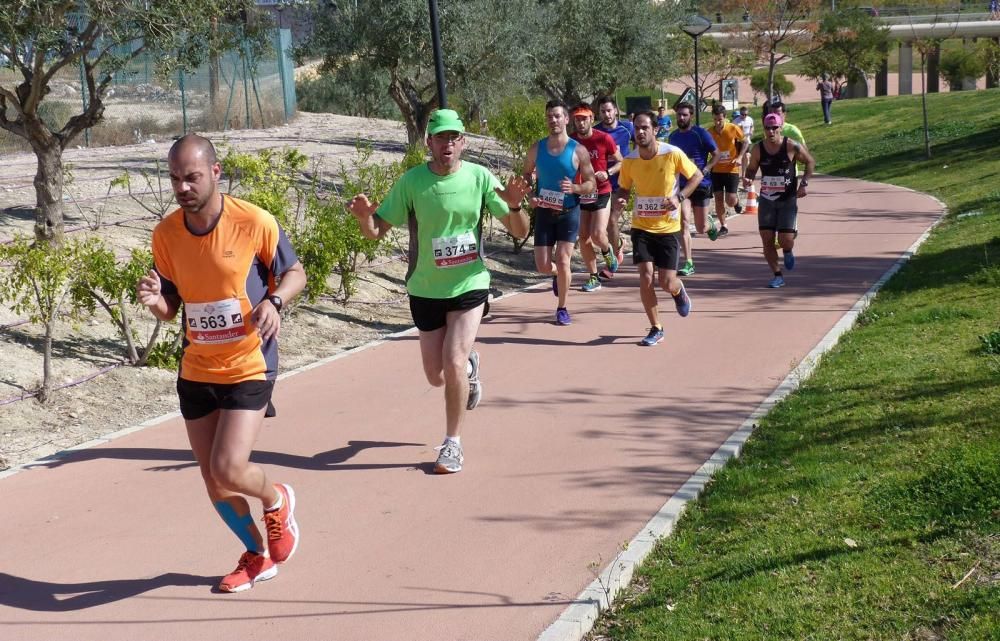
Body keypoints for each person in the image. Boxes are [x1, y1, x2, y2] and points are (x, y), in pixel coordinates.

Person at [136, 134, 307, 593]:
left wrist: (274, 300)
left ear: (215, 172)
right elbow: (172, 307)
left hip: (249, 362)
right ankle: (257, 555)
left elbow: (295, 272)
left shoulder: (253, 221)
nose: (183, 187)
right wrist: (156, 302)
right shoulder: (166, 235)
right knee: (212, 480)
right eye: (174, 179)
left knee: (229, 467)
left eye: (191, 176)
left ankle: (277, 500)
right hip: (197, 368)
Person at [349, 109, 530, 474]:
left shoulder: (480, 177)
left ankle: (452, 444)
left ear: (463, 141)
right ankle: (471, 367)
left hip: (470, 283)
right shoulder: (412, 182)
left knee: (452, 360)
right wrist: (364, 217)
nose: (447, 144)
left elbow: (519, 230)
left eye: (454, 137)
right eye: (440, 137)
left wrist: (513, 204)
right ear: (428, 142)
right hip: (425, 287)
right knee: (435, 376)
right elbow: (376, 231)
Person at [611, 110, 701, 346]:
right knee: (645, 276)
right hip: (641, 226)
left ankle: (678, 291)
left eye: (645, 128)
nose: (640, 132)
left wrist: (679, 197)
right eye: (637, 128)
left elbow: (697, 176)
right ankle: (656, 327)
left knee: (666, 282)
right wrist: (620, 199)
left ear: (655, 130)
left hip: (668, 228)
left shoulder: (672, 154)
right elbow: (623, 188)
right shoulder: (630, 160)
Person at [522, 99, 597, 326]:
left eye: (557, 116)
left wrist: (575, 188)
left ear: (566, 119)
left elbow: (591, 183)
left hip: (569, 211)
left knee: (564, 260)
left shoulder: (579, 150)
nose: (553, 120)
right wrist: (530, 196)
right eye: (549, 117)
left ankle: (562, 308)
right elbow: (526, 174)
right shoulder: (537, 148)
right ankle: (557, 276)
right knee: (543, 266)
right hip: (544, 212)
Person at [743, 112, 816, 288]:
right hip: (767, 200)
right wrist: (748, 178)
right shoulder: (758, 148)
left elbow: (810, 162)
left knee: (785, 240)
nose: (771, 131)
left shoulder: (791, 146)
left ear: (781, 128)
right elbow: (752, 169)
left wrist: (804, 184)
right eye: (768, 128)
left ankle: (788, 250)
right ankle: (777, 275)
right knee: (766, 238)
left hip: (787, 199)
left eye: (774, 127)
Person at [570, 103, 623, 292]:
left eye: (584, 118)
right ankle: (593, 277)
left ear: (592, 119)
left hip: (602, 190)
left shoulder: (604, 138)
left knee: (598, 234)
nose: (581, 122)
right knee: (583, 237)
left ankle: (608, 251)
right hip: (582, 192)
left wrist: (608, 172)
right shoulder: (571, 141)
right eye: (577, 118)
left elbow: (621, 161)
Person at [668, 101, 719, 276]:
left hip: (701, 184)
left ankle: (709, 224)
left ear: (691, 116)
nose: (681, 118)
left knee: (701, 227)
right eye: (679, 115)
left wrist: (706, 169)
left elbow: (717, 153)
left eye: (684, 115)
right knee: (683, 222)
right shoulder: (673, 137)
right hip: (682, 186)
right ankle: (689, 262)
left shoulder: (700, 134)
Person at [595, 96, 636, 275]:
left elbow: (644, 143)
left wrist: (633, 160)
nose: (607, 114)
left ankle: (614, 257)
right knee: (600, 227)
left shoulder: (628, 128)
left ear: (616, 111)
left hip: (622, 182)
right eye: (603, 111)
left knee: (612, 220)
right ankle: (618, 245)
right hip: (600, 185)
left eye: (609, 110)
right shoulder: (595, 131)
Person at [708, 103, 748, 235]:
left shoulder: (733, 128)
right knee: (718, 198)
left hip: (731, 169)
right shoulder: (710, 132)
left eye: (720, 119)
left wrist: (740, 157)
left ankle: (735, 202)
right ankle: (724, 226)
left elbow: (745, 142)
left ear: (725, 118)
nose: (717, 122)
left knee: (729, 201)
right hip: (716, 170)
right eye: (715, 119)